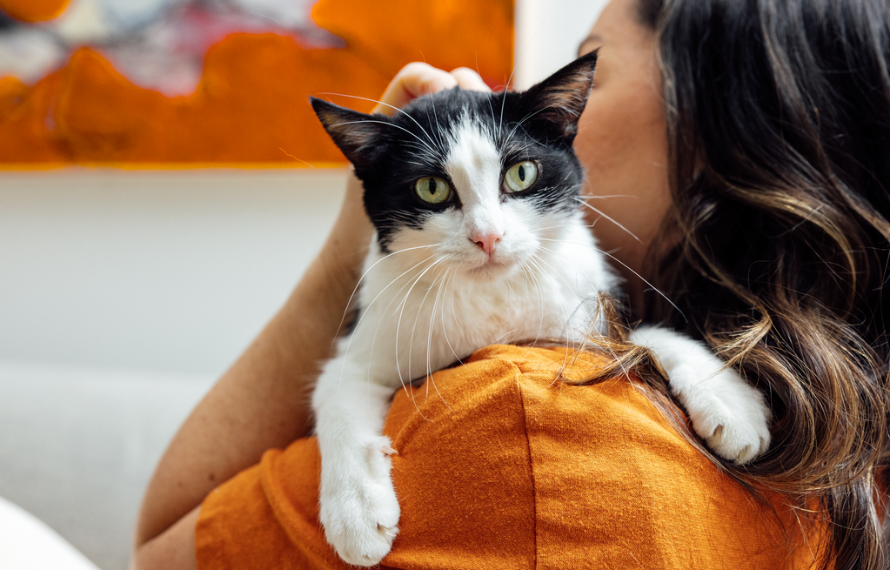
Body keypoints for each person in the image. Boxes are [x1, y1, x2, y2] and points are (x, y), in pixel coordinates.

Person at [131, 0, 890, 568]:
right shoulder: (848, 438)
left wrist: (343, 255)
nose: (552, 101)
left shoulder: (519, 421)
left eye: (593, 61)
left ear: (725, 122)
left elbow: (158, 548)